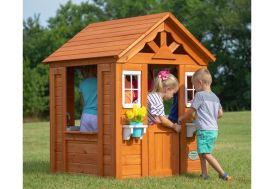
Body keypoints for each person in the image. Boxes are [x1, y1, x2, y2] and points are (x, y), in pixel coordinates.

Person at [178, 68, 231, 181]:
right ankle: (204, 175)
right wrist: (210, 116)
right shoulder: (215, 97)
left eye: (194, 85)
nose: (194, 88)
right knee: (202, 153)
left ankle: (223, 174)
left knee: (206, 154)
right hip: (213, 130)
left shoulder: (200, 95)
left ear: (200, 83)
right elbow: (220, 114)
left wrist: (181, 118)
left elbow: (191, 111)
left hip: (204, 130)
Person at [79, 66, 98, 132]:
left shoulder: (82, 84)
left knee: (84, 139)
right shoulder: (99, 82)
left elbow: (82, 103)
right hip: (96, 116)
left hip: (85, 115)